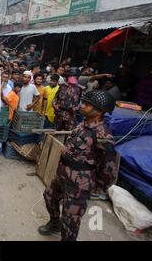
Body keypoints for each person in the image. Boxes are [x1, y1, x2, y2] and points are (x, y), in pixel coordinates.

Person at [39, 90, 117, 241]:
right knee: (49, 196)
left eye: (87, 104)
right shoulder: (82, 124)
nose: (82, 105)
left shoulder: (103, 135)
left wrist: (97, 185)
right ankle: (54, 223)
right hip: (62, 174)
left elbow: (109, 169)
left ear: (99, 111)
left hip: (79, 182)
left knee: (71, 219)